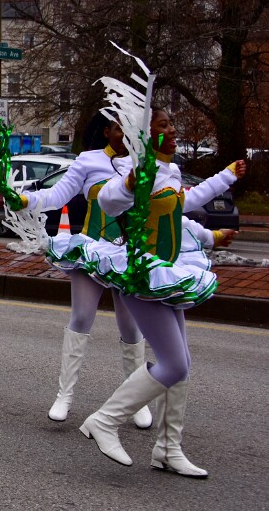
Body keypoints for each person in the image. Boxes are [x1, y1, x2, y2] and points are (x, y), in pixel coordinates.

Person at [79, 108, 244, 478]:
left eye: (171, 124)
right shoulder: (136, 170)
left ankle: (169, 449)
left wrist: (225, 179)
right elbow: (108, 202)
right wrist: (130, 182)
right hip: (142, 276)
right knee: (175, 364)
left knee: (181, 364)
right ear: (145, 136)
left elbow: (180, 212)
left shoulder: (167, 171)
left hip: (167, 275)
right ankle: (104, 420)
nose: (172, 130)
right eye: (163, 126)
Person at [15, 111, 153, 427]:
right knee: (80, 319)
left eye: (133, 130)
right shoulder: (88, 161)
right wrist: (24, 199)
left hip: (129, 254)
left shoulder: (143, 164)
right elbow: (56, 195)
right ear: (107, 132)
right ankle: (64, 396)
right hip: (92, 251)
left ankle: (136, 401)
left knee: (131, 327)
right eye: (121, 129)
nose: (128, 135)